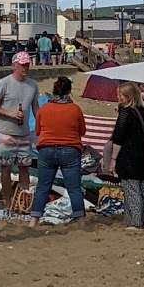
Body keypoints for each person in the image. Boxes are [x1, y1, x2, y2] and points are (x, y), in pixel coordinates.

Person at [30, 75, 89, 229]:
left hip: (47, 149)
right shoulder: (75, 109)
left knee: (43, 187)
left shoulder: (44, 109)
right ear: (69, 91)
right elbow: (82, 131)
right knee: (74, 188)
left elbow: (37, 131)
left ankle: (33, 221)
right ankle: (81, 222)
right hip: (70, 150)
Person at [104, 81, 144, 231]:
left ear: (128, 97)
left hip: (129, 157)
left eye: (120, 95)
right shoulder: (143, 112)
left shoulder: (126, 113)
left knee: (132, 190)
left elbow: (118, 138)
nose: (118, 97)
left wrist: (113, 160)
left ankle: (135, 222)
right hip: (143, 156)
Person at [0, 51, 39, 212]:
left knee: (24, 167)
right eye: (22, 65)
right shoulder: (4, 83)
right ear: (14, 66)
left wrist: (40, 126)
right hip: (6, 132)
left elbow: (35, 108)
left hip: (25, 133)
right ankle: (8, 201)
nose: (25, 68)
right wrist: (10, 114)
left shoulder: (32, 84)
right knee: (6, 168)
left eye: (27, 64)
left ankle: (24, 201)